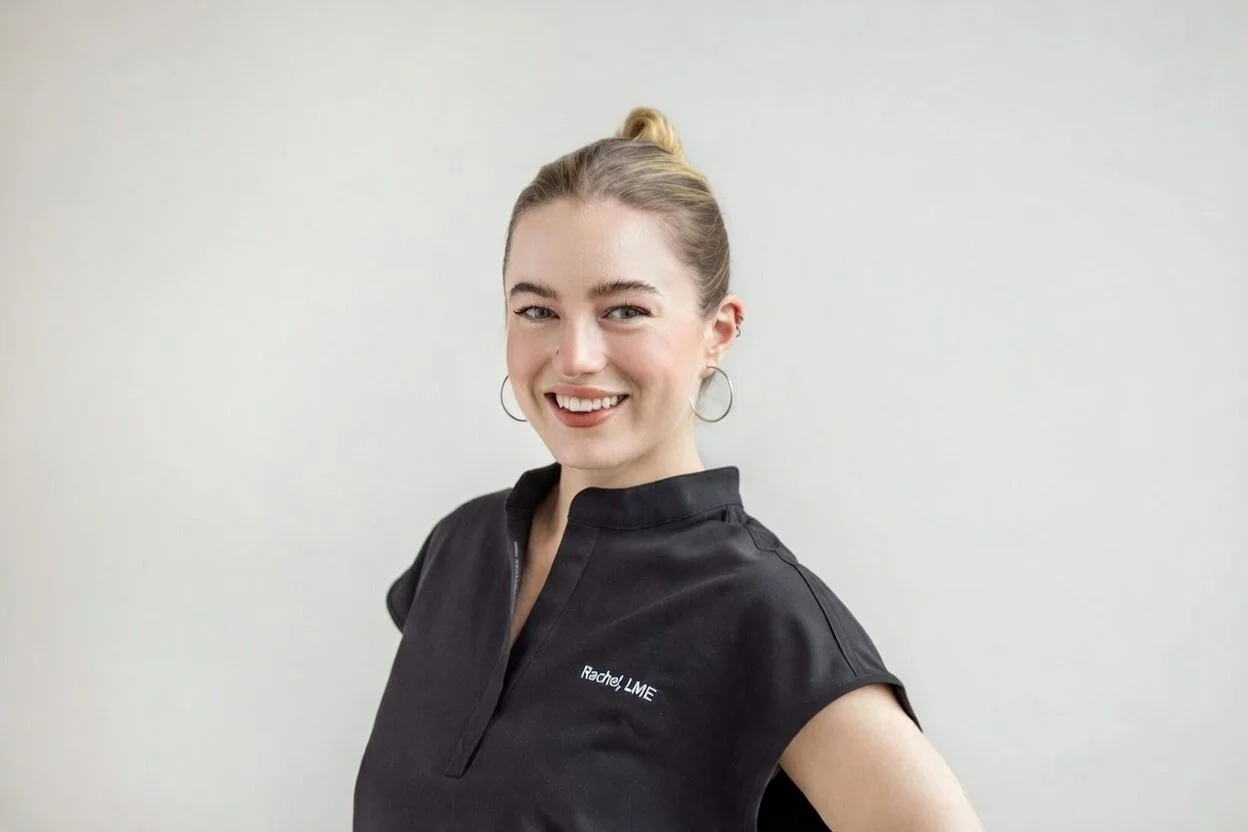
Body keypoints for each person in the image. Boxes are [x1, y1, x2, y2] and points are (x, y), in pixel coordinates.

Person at [354, 107, 983, 831]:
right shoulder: (461, 551)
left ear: (717, 333)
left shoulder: (762, 616)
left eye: (623, 310)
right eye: (537, 311)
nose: (576, 355)